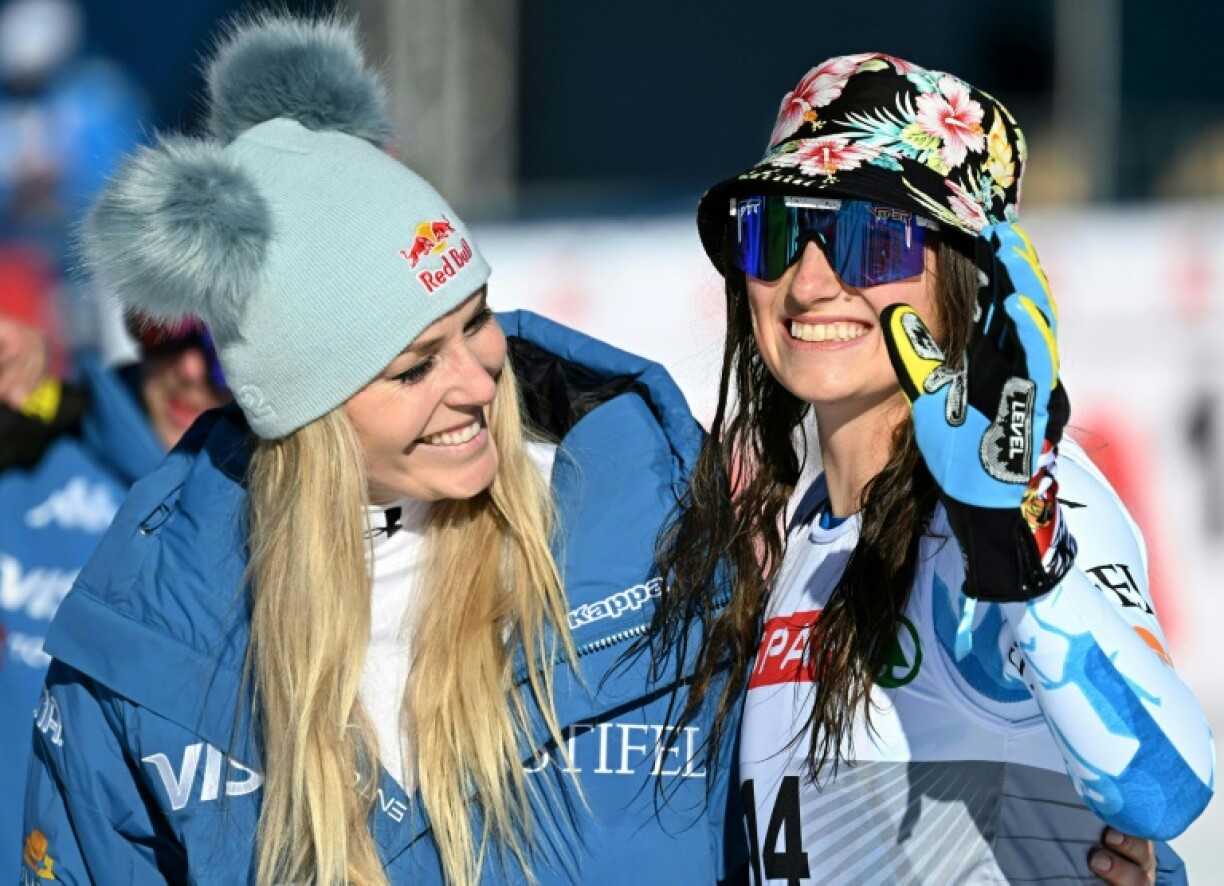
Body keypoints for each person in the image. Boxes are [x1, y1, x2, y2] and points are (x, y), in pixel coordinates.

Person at [21, 17, 740, 885]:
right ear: (310, 416)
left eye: (475, 322)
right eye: (412, 368)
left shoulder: (653, 521)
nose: (478, 383)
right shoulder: (151, 636)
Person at [642, 53, 1214, 884]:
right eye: (776, 231)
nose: (809, 281)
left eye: (869, 241)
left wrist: (1014, 540)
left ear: (959, 278)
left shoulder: (1008, 504)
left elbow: (1168, 789)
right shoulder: (806, 535)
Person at [0, 295, 227, 869]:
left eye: (224, 342)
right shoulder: (28, 452)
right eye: (167, 328)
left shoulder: (304, 517)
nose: (191, 368)